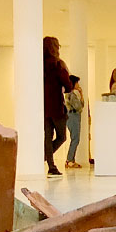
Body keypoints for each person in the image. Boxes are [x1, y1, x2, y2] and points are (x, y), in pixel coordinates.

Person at [42, 36, 72, 176]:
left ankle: (50, 165)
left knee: (47, 137)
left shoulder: (39, 64)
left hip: (43, 106)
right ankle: (45, 159)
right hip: (56, 106)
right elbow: (68, 85)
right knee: (62, 137)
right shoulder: (58, 64)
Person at [64, 74, 84, 168]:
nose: (78, 84)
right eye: (76, 82)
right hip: (73, 116)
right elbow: (79, 107)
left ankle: (71, 159)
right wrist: (80, 95)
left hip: (72, 116)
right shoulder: (71, 95)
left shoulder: (70, 94)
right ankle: (69, 160)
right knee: (75, 138)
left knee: (75, 138)